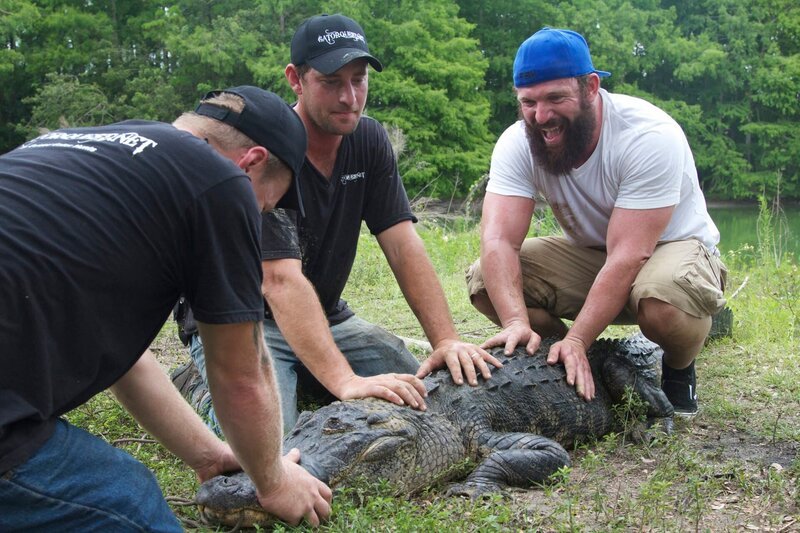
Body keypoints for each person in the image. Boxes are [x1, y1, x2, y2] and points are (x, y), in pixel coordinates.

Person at [0, 86, 332, 530]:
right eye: (265, 206)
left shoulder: (72, 149)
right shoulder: (221, 180)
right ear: (250, 162)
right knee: (127, 503)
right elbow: (241, 374)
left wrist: (211, 454)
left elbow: (124, 363)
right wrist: (273, 482)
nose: (258, 220)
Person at [176, 13, 501, 432]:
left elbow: (403, 246)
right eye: (331, 82)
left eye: (359, 79)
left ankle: (307, 375)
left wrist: (446, 340)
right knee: (273, 441)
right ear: (296, 78)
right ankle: (203, 388)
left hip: (327, 317)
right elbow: (278, 280)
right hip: (245, 318)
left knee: (427, 392)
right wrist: (345, 381)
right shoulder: (269, 149)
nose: (349, 96)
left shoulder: (368, 140)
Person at [466, 27, 727, 417]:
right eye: (529, 102)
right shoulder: (517, 142)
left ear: (590, 87)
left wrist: (580, 338)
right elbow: (499, 239)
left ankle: (678, 365)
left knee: (661, 302)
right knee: (486, 281)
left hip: (673, 250)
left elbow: (629, 253)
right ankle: (556, 359)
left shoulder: (648, 135)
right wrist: (516, 320)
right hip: (595, 255)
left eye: (556, 98)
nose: (541, 116)